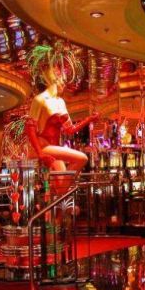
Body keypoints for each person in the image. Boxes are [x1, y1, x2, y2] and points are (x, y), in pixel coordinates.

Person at [24, 45, 98, 190]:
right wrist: (40, 153)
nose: (64, 82)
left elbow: (70, 129)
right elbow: (30, 128)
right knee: (82, 158)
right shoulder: (40, 99)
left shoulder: (60, 102)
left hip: (55, 147)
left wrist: (89, 119)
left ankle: (55, 202)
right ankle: (57, 198)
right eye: (61, 78)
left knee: (60, 186)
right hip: (44, 146)